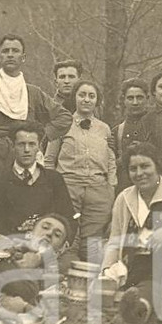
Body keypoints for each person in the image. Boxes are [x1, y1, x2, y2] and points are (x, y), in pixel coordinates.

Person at [100, 142, 162, 324]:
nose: (140, 173)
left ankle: (141, 307)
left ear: (158, 166)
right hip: (138, 265)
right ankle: (139, 306)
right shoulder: (124, 198)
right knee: (141, 283)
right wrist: (106, 271)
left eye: (145, 166)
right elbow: (114, 241)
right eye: (133, 169)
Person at [0, 35, 72, 210]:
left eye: (15, 51)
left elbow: (64, 117)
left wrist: (39, 135)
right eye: (5, 51)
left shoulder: (33, 92)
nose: (10, 55)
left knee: (21, 197)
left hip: (22, 150)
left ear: (23, 57)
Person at [44, 79, 117, 263]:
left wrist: (111, 186)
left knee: (93, 241)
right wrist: (52, 187)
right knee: (68, 234)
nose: (86, 99)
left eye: (91, 96)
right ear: (74, 97)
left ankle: (91, 282)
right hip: (68, 187)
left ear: (97, 101)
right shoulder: (62, 124)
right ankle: (66, 277)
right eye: (82, 95)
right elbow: (49, 160)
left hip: (98, 190)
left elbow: (110, 160)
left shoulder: (105, 129)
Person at [0, 121, 75, 237]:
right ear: (13, 146)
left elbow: (68, 218)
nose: (26, 149)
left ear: (39, 147)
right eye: (21, 144)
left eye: (32, 144)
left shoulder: (54, 180)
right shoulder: (0, 183)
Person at [114, 77, 151, 191]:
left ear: (147, 99)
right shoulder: (117, 131)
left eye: (139, 98)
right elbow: (110, 165)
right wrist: (126, 156)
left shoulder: (156, 126)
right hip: (125, 188)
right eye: (130, 98)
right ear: (124, 100)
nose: (135, 102)